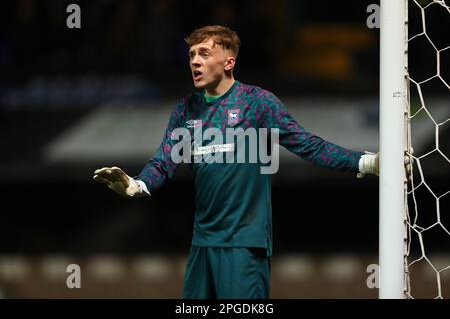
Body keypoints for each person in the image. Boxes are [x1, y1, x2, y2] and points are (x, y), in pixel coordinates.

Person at [93, 25, 379, 299]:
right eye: (192, 55)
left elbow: (308, 145)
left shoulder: (258, 103)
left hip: (244, 244)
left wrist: (366, 163)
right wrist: (138, 184)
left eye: (204, 54)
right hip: (202, 244)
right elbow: (163, 162)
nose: (195, 61)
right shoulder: (185, 111)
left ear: (229, 62)